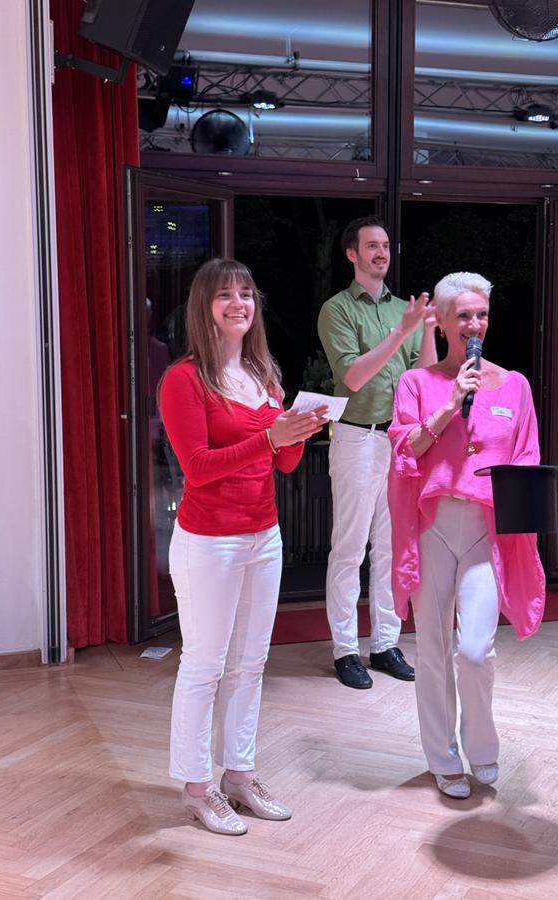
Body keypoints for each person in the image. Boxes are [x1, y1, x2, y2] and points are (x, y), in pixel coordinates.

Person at [160, 258, 327, 835]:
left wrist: (298, 430)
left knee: (250, 664)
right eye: (225, 294)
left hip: (264, 535)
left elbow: (285, 463)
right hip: (209, 541)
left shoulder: (265, 374)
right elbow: (198, 468)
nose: (239, 303)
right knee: (204, 666)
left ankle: (239, 776)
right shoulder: (184, 379)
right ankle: (196, 789)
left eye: (247, 294)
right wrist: (269, 436)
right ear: (203, 307)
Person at [388, 272, 545, 799]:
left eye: (482, 315)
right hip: (432, 525)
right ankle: (443, 759)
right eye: (464, 316)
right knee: (432, 649)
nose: (474, 325)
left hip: (486, 529)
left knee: (476, 651)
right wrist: (451, 403)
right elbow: (405, 449)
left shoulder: (515, 385)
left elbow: (526, 457)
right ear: (443, 322)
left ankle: (482, 748)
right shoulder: (417, 383)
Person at [317, 215, 437, 689]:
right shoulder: (337, 309)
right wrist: (400, 332)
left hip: (398, 440)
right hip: (356, 437)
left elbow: (423, 377)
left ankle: (386, 643)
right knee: (349, 548)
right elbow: (353, 377)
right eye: (371, 246)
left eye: (385, 245)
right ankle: (345, 649)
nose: (381, 253)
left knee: (390, 546)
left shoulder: (402, 310)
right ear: (352, 254)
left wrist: (426, 329)